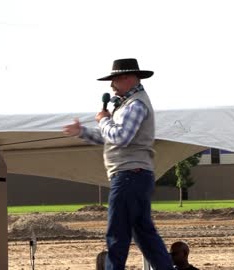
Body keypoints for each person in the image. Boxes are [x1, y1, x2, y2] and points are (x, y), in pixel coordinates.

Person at [63, 58, 174, 270]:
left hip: (128, 175)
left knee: (118, 234)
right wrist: (83, 132)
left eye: (114, 80)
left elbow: (121, 137)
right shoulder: (131, 104)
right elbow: (113, 138)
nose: (111, 85)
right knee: (144, 234)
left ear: (127, 78)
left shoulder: (135, 105)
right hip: (135, 175)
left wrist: (103, 120)